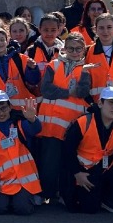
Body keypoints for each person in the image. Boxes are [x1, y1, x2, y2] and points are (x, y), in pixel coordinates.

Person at [36, 33, 94, 201]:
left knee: (67, 162)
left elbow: (83, 91)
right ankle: (46, 195)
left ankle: (63, 194)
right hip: (51, 125)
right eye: (70, 48)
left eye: (78, 49)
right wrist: (69, 92)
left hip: (72, 126)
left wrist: (61, 92)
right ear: (64, 48)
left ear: (84, 50)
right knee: (49, 163)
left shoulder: (86, 69)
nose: (74, 52)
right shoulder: (53, 65)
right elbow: (46, 89)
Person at [62, 87, 113, 214]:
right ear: (101, 103)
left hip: (102, 170)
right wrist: (77, 174)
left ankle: (107, 196)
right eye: (111, 103)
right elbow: (67, 150)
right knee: (87, 208)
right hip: (80, 171)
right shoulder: (83, 122)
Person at [0, 90, 42, 215]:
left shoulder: (20, 125)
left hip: (23, 181)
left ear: (10, 107)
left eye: (3, 108)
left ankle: (23, 199)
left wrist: (32, 119)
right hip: (3, 181)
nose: (1, 113)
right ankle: (11, 200)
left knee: (22, 209)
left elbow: (35, 129)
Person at [0, 25, 39, 121]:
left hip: (24, 113)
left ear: (8, 40)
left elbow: (33, 81)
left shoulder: (21, 59)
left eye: (2, 40)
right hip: (2, 115)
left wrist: (33, 69)